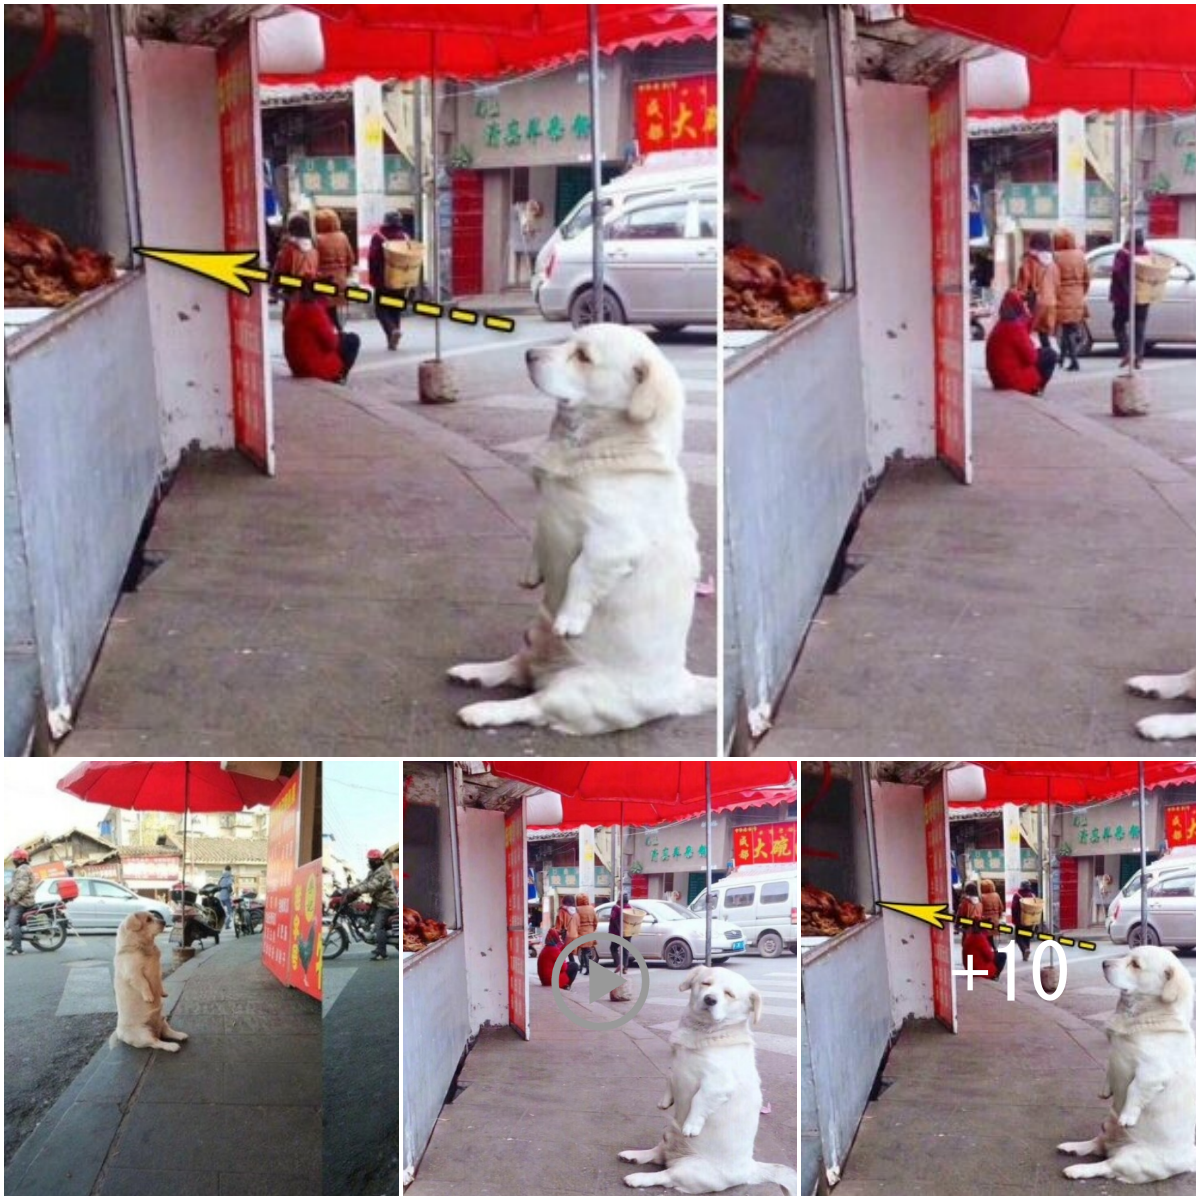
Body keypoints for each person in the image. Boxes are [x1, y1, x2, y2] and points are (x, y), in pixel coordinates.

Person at [283, 285, 361, 383]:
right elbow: (331, 343)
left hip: (297, 365)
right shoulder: (314, 310)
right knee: (353, 340)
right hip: (313, 368)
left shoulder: (295, 310)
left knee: (344, 337)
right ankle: (339, 376)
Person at [986, 290, 1058, 396]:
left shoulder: (1001, 325)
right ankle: (1036, 389)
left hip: (998, 379)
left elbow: (1025, 326)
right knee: (1051, 355)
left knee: (1042, 353)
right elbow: (1031, 357)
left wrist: (1034, 312)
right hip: (1012, 382)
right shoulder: (1015, 328)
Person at [367, 210, 410, 351]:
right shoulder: (405, 237)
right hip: (400, 281)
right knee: (395, 309)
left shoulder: (378, 237)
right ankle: (392, 339)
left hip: (383, 280)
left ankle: (392, 331)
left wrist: (373, 279)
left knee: (380, 309)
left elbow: (372, 259)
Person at [349, 849, 398, 961]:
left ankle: (382, 953)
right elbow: (365, 883)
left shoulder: (383, 872)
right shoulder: (372, 872)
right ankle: (376, 944)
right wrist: (352, 889)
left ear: (377, 861)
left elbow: (372, 886)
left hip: (386, 904)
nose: (369, 862)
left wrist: (357, 891)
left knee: (378, 926)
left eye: (370, 860)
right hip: (377, 902)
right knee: (368, 919)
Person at [1015, 230, 1060, 352]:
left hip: (1035, 303)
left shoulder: (1029, 261)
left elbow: (1024, 282)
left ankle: (1027, 356)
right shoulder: (1053, 263)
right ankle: (1048, 356)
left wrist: (1020, 296)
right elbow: (1057, 284)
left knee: (1024, 332)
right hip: (1051, 303)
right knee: (1043, 333)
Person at [1053, 228, 1090, 371]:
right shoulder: (1080, 255)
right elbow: (1087, 278)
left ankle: (1074, 361)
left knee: (1066, 328)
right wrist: (1081, 291)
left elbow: (1053, 278)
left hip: (1062, 295)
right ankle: (1062, 359)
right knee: (1068, 328)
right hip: (1078, 295)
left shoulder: (1056, 256)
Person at [1110, 229, 1149, 367]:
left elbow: (1117, 272)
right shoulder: (1146, 253)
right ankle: (1138, 358)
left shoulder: (1123, 254)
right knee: (1139, 327)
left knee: (1118, 325)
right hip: (1143, 297)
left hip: (1123, 298)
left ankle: (1127, 352)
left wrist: (1128, 290)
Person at [314, 208, 356, 331]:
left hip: (324, 279)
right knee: (333, 308)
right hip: (341, 278)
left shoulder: (318, 239)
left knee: (325, 307)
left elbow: (315, 260)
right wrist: (347, 273)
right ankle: (337, 330)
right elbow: (351, 258)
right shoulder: (343, 236)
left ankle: (332, 332)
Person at [272, 213, 319, 316]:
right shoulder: (313, 249)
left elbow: (281, 269)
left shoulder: (289, 248)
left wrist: (274, 288)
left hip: (292, 290)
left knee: (290, 320)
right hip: (309, 291)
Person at [5, 848, 36, 956]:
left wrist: (13, 899)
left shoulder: (23, 869)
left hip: (23, 902)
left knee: (13, 923)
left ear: (19, 859)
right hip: (23, 899)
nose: (13, 861)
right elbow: (14, 885)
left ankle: (17, 949)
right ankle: (13, 941)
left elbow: (21, 887)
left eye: (15, 859)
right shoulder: (23, 868)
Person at [575, 892, 598, 976]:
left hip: (581, 932)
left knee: (583, 951)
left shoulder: (577, 909)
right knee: (587, 950)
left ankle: (587, 968)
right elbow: (596, 921)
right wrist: (592, 929)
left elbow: (575, 922)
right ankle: (583, 967)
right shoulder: (592, 908)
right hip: (590, 931)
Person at [555, 897, 580, 967]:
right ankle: (573, 966)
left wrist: (557, 932)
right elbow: (578, 924)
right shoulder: (576, 912)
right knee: (570, 953)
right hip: (575, 935)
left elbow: (559, 923)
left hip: (566, 935)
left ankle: (562, 967)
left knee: (562, 952)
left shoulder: (562, 911)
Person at [216, 865, 234, 930]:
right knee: (230, 911)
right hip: (226, 894)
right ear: (230, 869)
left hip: (220, 895)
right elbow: (229, 884)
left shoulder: (222, 876)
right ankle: (227, 924)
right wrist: (230, 891)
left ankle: (220, 923)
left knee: (223, 910)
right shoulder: (230, 876)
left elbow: (218, 885)